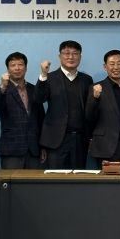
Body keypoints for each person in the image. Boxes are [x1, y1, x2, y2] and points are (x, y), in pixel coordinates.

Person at [37, 41, 93, 169]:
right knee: (56, 178)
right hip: (56, 140)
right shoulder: (49, 78)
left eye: (75, 53)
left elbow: (90, 109)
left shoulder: (86, 79)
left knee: (79, 177)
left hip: (80, 139)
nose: (71, 57)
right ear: (59, 56)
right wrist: (43, 75)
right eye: (67, 53)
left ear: (80, 57)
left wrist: (91, 136)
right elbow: (39, 99)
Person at [85, 50, 120, 165]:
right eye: (112, 64)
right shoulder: (96, 88)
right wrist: (95, 98)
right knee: (107, 177)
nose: (116, 67)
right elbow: (89, 117)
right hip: (105, 147)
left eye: (119, 63)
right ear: (105, 67)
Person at [0, 52, 44, 169]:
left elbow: (41, 119)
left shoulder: (34, 89)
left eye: (20, 64)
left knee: (35, 181)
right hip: (11, 149)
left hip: (34, 149)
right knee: (10, 181)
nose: (17, 68)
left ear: (26, 68)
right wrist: (3, 87)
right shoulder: (0, 90)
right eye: (13, 65)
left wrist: (43, 146)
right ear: (8, 69)